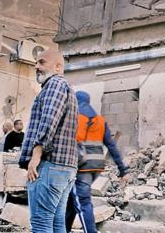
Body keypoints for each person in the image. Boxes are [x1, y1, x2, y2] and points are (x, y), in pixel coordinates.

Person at [19, 50, 78, 232]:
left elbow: (48, 121)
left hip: (50, 165)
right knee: (56, 222)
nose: (36, 66)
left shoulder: (55, 84)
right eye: (36, 63)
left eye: (42, 62)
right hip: (64, 168)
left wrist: (36, 156)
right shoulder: (66, 87)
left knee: (41, 223)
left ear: (58, 66)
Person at [65, 91, 129, 233]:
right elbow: (111, 145)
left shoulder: (77, 116)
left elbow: (72, 140)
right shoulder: (99, 120)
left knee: (82, 202)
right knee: (71, 202)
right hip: (96, 166)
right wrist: (122, 169)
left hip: (82, 166)